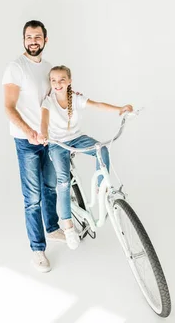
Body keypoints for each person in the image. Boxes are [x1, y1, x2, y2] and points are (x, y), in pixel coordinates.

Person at [40, 65, 133, 249]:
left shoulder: (74, 98)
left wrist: (120, 109)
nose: (57, 84)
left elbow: (97, 105)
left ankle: (101, 186)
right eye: (53, 80)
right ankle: (68, 227)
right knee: (64, 181)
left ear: (69, 81)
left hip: (76, 138)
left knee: (102, 150)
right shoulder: (48, 102)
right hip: (57, 143)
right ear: (50, 83)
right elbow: (43, 121)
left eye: (62, 80)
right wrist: (43, 134)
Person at [2, 20, 68, 273]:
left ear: (45, 40)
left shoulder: (49, 68)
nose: (33, 41)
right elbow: (8, 107)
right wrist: (29, 132)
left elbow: (55, 102)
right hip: (26, 141)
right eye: (29, 37)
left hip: (49, 139)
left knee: (51, 187)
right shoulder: (15, 68)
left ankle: (52, 229)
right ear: (23, 40)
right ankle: (37, 249)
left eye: (37, 37)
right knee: (33, 198)